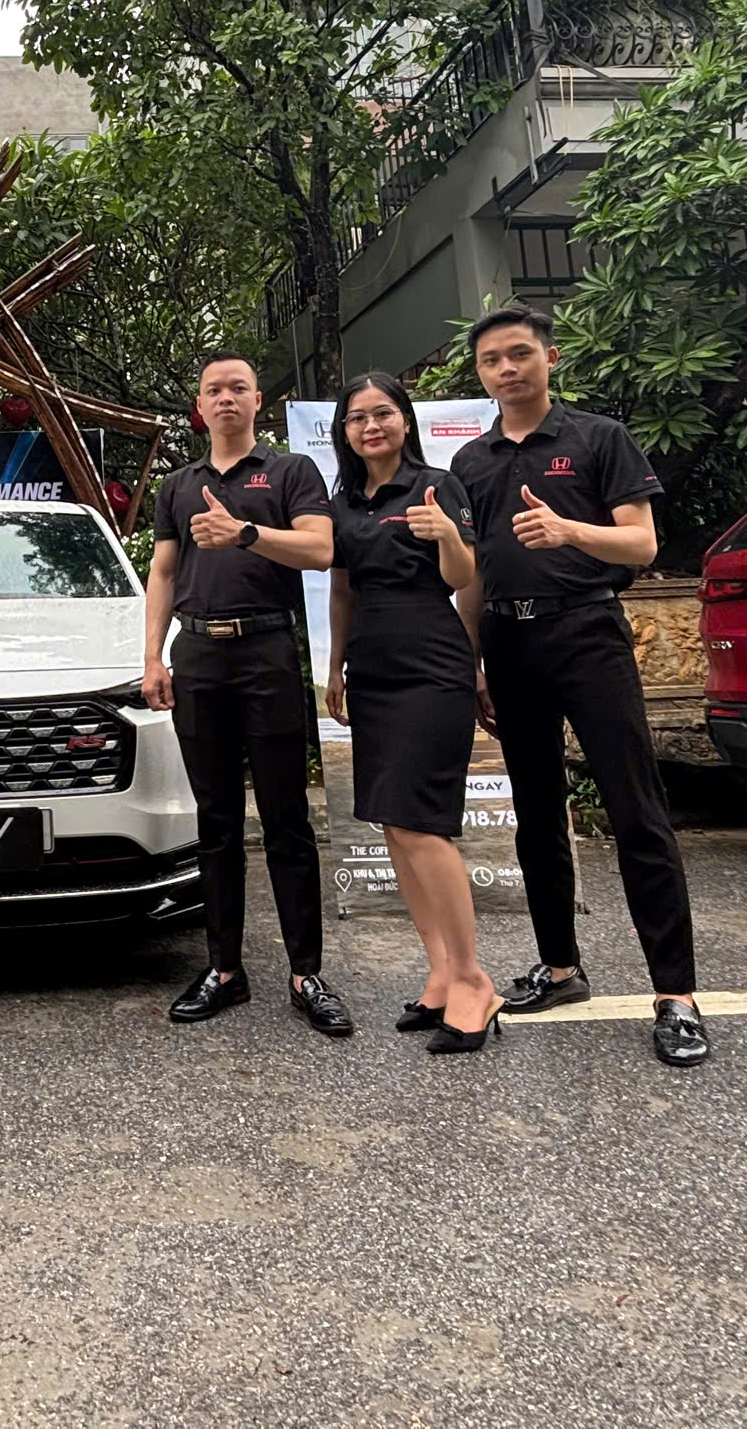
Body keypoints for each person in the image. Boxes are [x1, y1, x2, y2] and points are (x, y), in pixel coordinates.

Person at [448, 307, 710, 1068]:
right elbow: (475, 572)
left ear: (550, 359)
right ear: (481, 373)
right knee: (535, 816)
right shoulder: (471, 462)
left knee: (637, 811)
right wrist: (472, 660)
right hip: (509, 640)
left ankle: (676, 995)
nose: (507, 369)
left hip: (588, 632)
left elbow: (642, 542)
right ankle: (560, 969)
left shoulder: (599, 438)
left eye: (520, 354)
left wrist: (570, 531)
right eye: (492, 360)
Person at [144, 353, 348, 1035]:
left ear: (259, 401)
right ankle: (224, 970)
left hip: (266, 651)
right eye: (214, 389)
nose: (226, 397)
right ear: (199, 407)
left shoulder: (291, 472)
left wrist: (246, 533)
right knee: (217, 820)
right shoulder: (179, 485)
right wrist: (153, 655)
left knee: (287, 819)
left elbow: (320, 550)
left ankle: (306, 973)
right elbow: (163, 572)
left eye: (238, 388)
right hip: (198, 656)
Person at [320, 373, 504, 1054]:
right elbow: (342, 590)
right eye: (357, 418)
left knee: (424, 825)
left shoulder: (437, 485)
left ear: (405, 421)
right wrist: (334, 667)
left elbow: (462, 576)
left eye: (383, 413)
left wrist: (446, 535)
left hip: (431, 663)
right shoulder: (342, 504)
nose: (371, 426)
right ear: (343, 432)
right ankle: (441, 972)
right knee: (394, 826)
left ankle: (474, 979)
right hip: (372, 668)